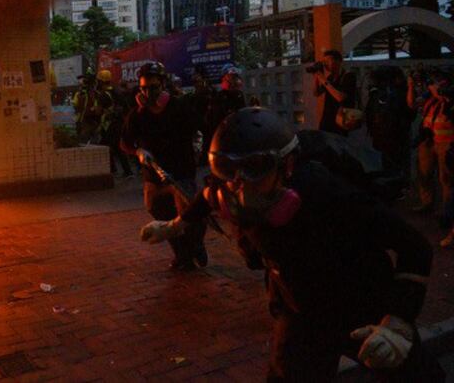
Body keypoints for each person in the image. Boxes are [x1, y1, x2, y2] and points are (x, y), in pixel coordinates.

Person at [140, 107, 442, 382]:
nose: (239, 185)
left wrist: (396, 325)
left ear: (287, 166)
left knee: (417, 376)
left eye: (255, 168)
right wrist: (174, 227)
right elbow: (206, 200)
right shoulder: (228, 187)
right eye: (227, 170)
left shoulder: (328, 195)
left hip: (360, 301)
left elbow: (414, 246)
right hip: (299, 310)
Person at [121, 62, 207, 271]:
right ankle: (182, 255)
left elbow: (199, 130)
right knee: (157, 210)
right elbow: (125, 142)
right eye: (143, 88)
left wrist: (197, 148)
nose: (148, 92)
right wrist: (138, 151)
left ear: (163, 85)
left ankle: (196, 245)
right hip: (153, 173)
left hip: (180, 171)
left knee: (188, 213)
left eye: (153, 87)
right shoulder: (137, 114)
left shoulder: (179, 107)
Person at [409, 69, 454, 224]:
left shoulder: (448, 95)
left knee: (446, 177)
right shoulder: (430, 97)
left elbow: (445, 99)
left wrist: (434, 90)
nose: (435, 84)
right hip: (428, 140)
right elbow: (412, 104)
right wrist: (411, 86)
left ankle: (447, 211)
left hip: (446, 142)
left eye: (439, 80)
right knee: (424, 173)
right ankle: (427, 202)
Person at [364, 66, 414, 185]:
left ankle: (397, 186)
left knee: (391, 165)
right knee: (396, 165)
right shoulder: (398, 92)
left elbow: (369, 113)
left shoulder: (379, 93)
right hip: (393, 135)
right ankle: (399, 186)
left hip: (389, 135)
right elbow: (410, 113)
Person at [96, 69, 133, 179]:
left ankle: (117, 170)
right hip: (119, 123)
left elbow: (98, 111)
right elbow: (126, 108)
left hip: (109, 125)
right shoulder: (118, 91)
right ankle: (124, 171)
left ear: (101, 81)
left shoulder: (102, 95)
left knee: (106, 146)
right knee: (117, 147)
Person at [313, 49, 357, 135]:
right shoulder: (330, 77)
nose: (325, 64)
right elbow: (316, 93)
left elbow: (340, 97)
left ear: (338, 61)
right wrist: (317, 77)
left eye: (327, 61)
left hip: (340, 119)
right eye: (324, 62)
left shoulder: (348, 76)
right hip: (327, 119)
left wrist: (324, 80)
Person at [205, 63, 246, 143]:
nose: (235, 80)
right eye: (232, 77)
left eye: (236, 77)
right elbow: (214, 122)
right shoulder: (219, 98)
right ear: (224, 79)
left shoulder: (239, 96)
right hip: (223, 138)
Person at [72, 71, 100, 144]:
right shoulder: (96, 94)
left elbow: (75, 105)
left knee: (82, 144)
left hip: (83, 121)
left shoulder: (79, 94)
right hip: (95, 121)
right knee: (96, 144)